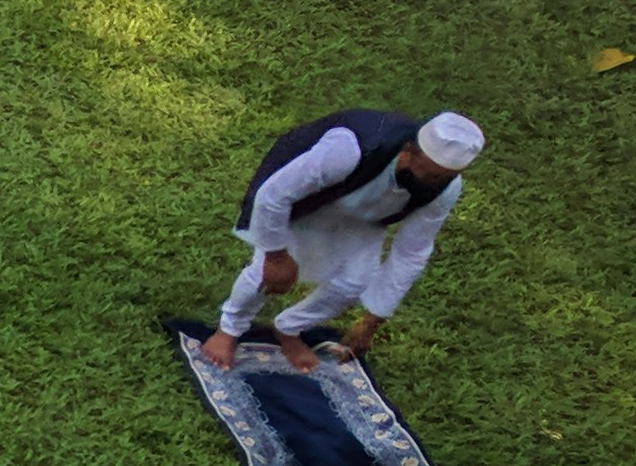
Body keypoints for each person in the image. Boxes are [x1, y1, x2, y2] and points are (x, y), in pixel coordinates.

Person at [202, 109, 483, 373]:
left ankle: (288, 329)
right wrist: (276, 255)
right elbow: (274, 195)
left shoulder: (445, 188)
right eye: (431, 174)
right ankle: (228, 329)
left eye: (445, 178)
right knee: (264, 273)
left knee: (354, 283)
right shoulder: (351, 149)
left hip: (367, 217)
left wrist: (373, 319)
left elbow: (413, 251)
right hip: (314, 200)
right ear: (408, 152)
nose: (434, 185)